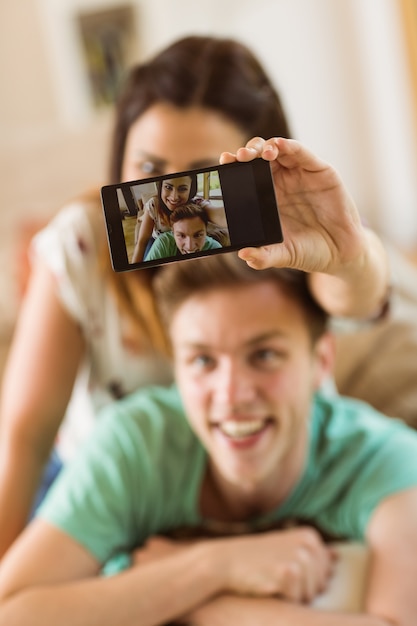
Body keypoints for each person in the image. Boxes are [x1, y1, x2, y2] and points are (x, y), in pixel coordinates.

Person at [0, 35, 390, 560]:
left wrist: (349, 253)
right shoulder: (84, 242)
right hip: (117, 503)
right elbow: (23, 435)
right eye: (149, 169)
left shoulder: (286, 238)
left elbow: (360, 297)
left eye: (201, 176)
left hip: (265, 489)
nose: (170, 197)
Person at [0, 252, 415, 626]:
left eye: (264, 355)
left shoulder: (386, 460)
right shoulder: (135, 445)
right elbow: (11, 611)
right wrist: (214, 567)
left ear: (320, 361)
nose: (231, 395)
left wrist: (200, 600)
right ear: (175, 368)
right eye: (202, 361)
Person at [132, 174, 228, 262]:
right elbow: (141, 242)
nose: (174, 197)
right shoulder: (154, 205)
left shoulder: (198, 204)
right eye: (168, 187)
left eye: (182, 189)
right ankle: (143, 217)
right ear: (161, 187)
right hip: (157, 240)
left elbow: (221, 216)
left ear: (191, 189)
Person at [145, 202, 222, 261]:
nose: (190, 247)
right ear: (173, 233)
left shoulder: (215, 248)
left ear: (206, 232)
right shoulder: (163, 243)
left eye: (198, 235)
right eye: (181, 236)